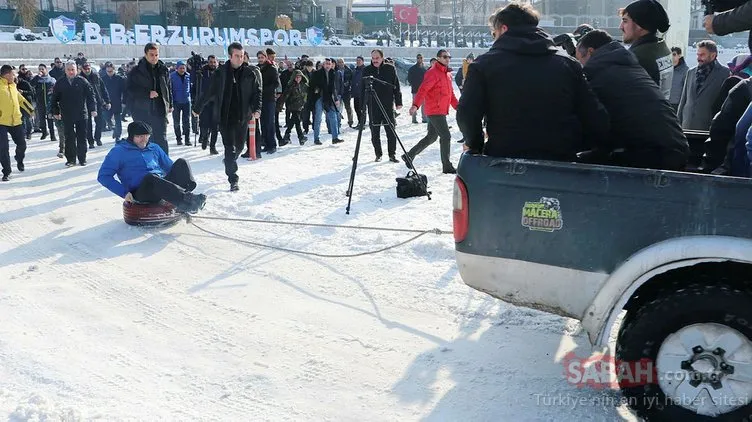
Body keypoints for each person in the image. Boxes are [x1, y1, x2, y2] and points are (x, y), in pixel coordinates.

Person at [457, 3, 609, 161]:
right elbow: (595, 116)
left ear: (503, 29)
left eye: (493, 34)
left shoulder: (483, 66)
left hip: (503, 160)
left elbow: (467, 112)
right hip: (560, 162)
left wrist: (475, 144)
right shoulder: (568, 64)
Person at [575, 30, 689, 170]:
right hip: (673, 145)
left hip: (653, 154)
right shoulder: (629, 65)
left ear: (591, 52)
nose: (581, 65)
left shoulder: (597, 74)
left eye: (580, 59)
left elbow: (596, 122)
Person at [193, 42, 262, 192]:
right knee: (229, 148)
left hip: (243, 117)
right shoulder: (220, 73)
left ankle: (230, 161)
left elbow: (257, 93)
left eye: (242, 56)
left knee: (240, 147)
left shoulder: (250, 73)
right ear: (230, 56)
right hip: (225, 118)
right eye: (237, 56)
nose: (240, 59)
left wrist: (257, 109)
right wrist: (198, 108)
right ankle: (233, 178)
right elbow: (209, 92)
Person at [98, 122, 206, 214]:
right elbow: (103, 176)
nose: (144, 139)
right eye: (139, 136)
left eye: (146, 136)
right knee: (150, 177)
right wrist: (123, 192)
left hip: (159, 186)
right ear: (131, 137)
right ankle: (186, 200)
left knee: (182, 163)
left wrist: (175, 183)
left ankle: (185, 199)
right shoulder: (119, 152)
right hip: (140, 192)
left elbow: (170, 167)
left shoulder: (154, 147)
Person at [404, 49, 459, 174]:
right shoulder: (432, 73)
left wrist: (458, 108)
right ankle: (447, 166)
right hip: (435, 110)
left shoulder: (448, 75)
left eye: (449, 57)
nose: (447, 59)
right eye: (444, 57)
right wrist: (415, 105)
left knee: (431, 137)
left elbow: (451, 95)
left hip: (441, 110)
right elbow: (423, 90)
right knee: (446, 136)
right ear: (438, 58)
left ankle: (409, 155)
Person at [618, 0, 673, 99]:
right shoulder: (662, 48)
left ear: (640, 25)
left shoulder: (635, 58)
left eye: (625, 21)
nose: (620, 27)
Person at [126, 42, 173, 154]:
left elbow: (168, 88)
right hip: (142, 111)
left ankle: (164, 165)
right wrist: (147, 93)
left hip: (160, 110)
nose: (154, 57)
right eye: (151, 55)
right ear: (145, 54)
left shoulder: (163, 69)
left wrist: (170, 104)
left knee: (161, 139)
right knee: (145, 141)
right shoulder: (136, 71)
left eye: (156, 55)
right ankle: (148, 165)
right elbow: (129, 90)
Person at [677, 40, 730, 131]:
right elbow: (683, 101)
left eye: (702, 55)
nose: (698, 58)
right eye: (698, 54)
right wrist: (677, 124)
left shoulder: (725, 74)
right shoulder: (691, 72)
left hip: (708, 128)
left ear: (713, 55)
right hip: (686, 126)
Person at [51, 61, 97, 167]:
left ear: (77, 70)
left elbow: (91, 95)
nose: (71, 72)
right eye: (69, 70)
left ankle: (82, 158)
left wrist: (93, 109)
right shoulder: (60, 83)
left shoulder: (82, 81)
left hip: (82, 113)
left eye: (73, 69)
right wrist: (55, 111)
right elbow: (54, 98)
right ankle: (71, 159)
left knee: (82, 137)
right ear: (65, 70)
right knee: (69, 137)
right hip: (67, 114)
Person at [362, 49, 402, 162]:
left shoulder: (390, 69)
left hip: (387, 105)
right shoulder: (367, 70)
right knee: (375, 132)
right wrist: (362, 106)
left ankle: (392, 154)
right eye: (373, 58)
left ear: (382, 58)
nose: (375, 61)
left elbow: (396, 86)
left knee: (391, 130)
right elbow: (362, 88)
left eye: (377, 58)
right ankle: (378, 154)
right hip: (372, 105)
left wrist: (398, 101)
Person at [0, 65, 31, 181]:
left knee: (22, 144)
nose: (15, 76)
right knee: (3, 148)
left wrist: (31, 111)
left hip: (16, 121)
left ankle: (19, 159)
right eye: (13, 74)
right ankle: (6, 171)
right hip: (2, 122)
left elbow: (21, 100)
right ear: (7, 75)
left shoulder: (13, 86)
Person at [308, 57, 343, 145]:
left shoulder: (332, 73)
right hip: (319, 97)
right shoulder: (317, 73)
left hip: (329, 98)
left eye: (329, 64)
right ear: (323, 65)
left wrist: (335, 98)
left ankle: (335, 137)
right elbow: (312, 86)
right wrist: (315, 93)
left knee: (333, 116)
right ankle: (316, 138)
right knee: (318, 118)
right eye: (326, 64)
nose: (327, 65)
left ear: (331, 65)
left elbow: (333, 87)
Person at [193, 55, 220, 154]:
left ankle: (212, 147)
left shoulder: (220, 72)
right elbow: (195, 84)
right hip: (205, 102)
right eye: (211, 62)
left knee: (215, 127)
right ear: (208, 62)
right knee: (204, 124)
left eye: (214, 62)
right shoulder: (203, 72)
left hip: (216, 102)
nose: (212, 64)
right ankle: (204, 137)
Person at [80, 61, 111, 148]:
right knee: (88, 124)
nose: (87, 70)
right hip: (85, 103)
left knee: (99, 122)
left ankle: (97, 138)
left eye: (88, 68)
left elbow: (103, 89)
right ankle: (90, 141)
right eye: (85, 69)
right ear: (82, 69)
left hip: (98, 102)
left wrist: (107, 101)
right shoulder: (80, 78)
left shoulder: (96, 76)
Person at [31, 63, 57, 142]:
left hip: (49, 102)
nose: (41, 71)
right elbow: (31, 84)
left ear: (46, 69)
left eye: (42, 69)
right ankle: (44, 132)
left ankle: (52, 135)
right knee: (41, 119)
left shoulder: (51, 79)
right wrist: (37, 77)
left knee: (50, 119)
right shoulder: (37, 79)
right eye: (39, 69)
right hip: (40, 102)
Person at [282, 69, 309, 144]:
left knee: (293, 120)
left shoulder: (304, 85)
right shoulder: (291, 85)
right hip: (293, 106)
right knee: (297, 121)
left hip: (300, 105)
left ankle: (287, 135)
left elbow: (306, 93)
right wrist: (281, 105)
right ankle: (300, 137)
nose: (298, 79)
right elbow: (285, 96)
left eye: (299, 77)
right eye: (296, 77)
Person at [102, 62, 126, 140]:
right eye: (108, 71)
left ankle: (117, 135)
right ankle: (113, 128)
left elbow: (124, 91)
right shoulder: (103, 79)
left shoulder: (119, 79)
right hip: (106, 102)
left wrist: (124, 101)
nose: (109, 73)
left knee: (118, 119)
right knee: (107, 117)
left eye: (111, 71)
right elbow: (100, 91)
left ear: (114, 70)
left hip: (117, 101)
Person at [170, 60, 192, 146]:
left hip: (187, 101)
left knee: (186, 121)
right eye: (181, 68)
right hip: (176, 102)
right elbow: (169, 89)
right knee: (176, 122)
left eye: (184, 68)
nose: (182, 70)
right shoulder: (172, 76)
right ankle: (178, 138)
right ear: (177, 68)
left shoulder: (188, 76)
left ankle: (187, 139)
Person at [407, 54, 427, 124]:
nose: (419, 59)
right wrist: (414, 83)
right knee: (415, 104)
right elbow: (409, 78)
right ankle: (414, 119)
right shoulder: (412, 69)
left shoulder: (425, 68)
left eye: (421, 58)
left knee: (424, 104)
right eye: (418, 58)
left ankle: (424, 118)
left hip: (424, 90)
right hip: (415, 89)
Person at [670, 47, 689, 111]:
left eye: (674, 54)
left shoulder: (686, 71)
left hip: (678, 105)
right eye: (670, 55)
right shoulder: (666, 69)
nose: (672, 57)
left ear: (679, 55)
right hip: (665, 103)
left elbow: (687, 90)